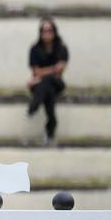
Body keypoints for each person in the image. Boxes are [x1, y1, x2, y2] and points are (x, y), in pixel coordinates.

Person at [26, 17, 69, 146]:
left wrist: (43, 73)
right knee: (47, 89)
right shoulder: (35, 49)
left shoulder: (61, 48)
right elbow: (36, 71)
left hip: (55, 83)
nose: (47, 33)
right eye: (44, 31)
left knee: (47, 81)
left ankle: (34, 105)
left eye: (49, 30)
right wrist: (52, 69)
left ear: (54, 32)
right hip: (40, 86)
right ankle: (51, 126)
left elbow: (59, 72)